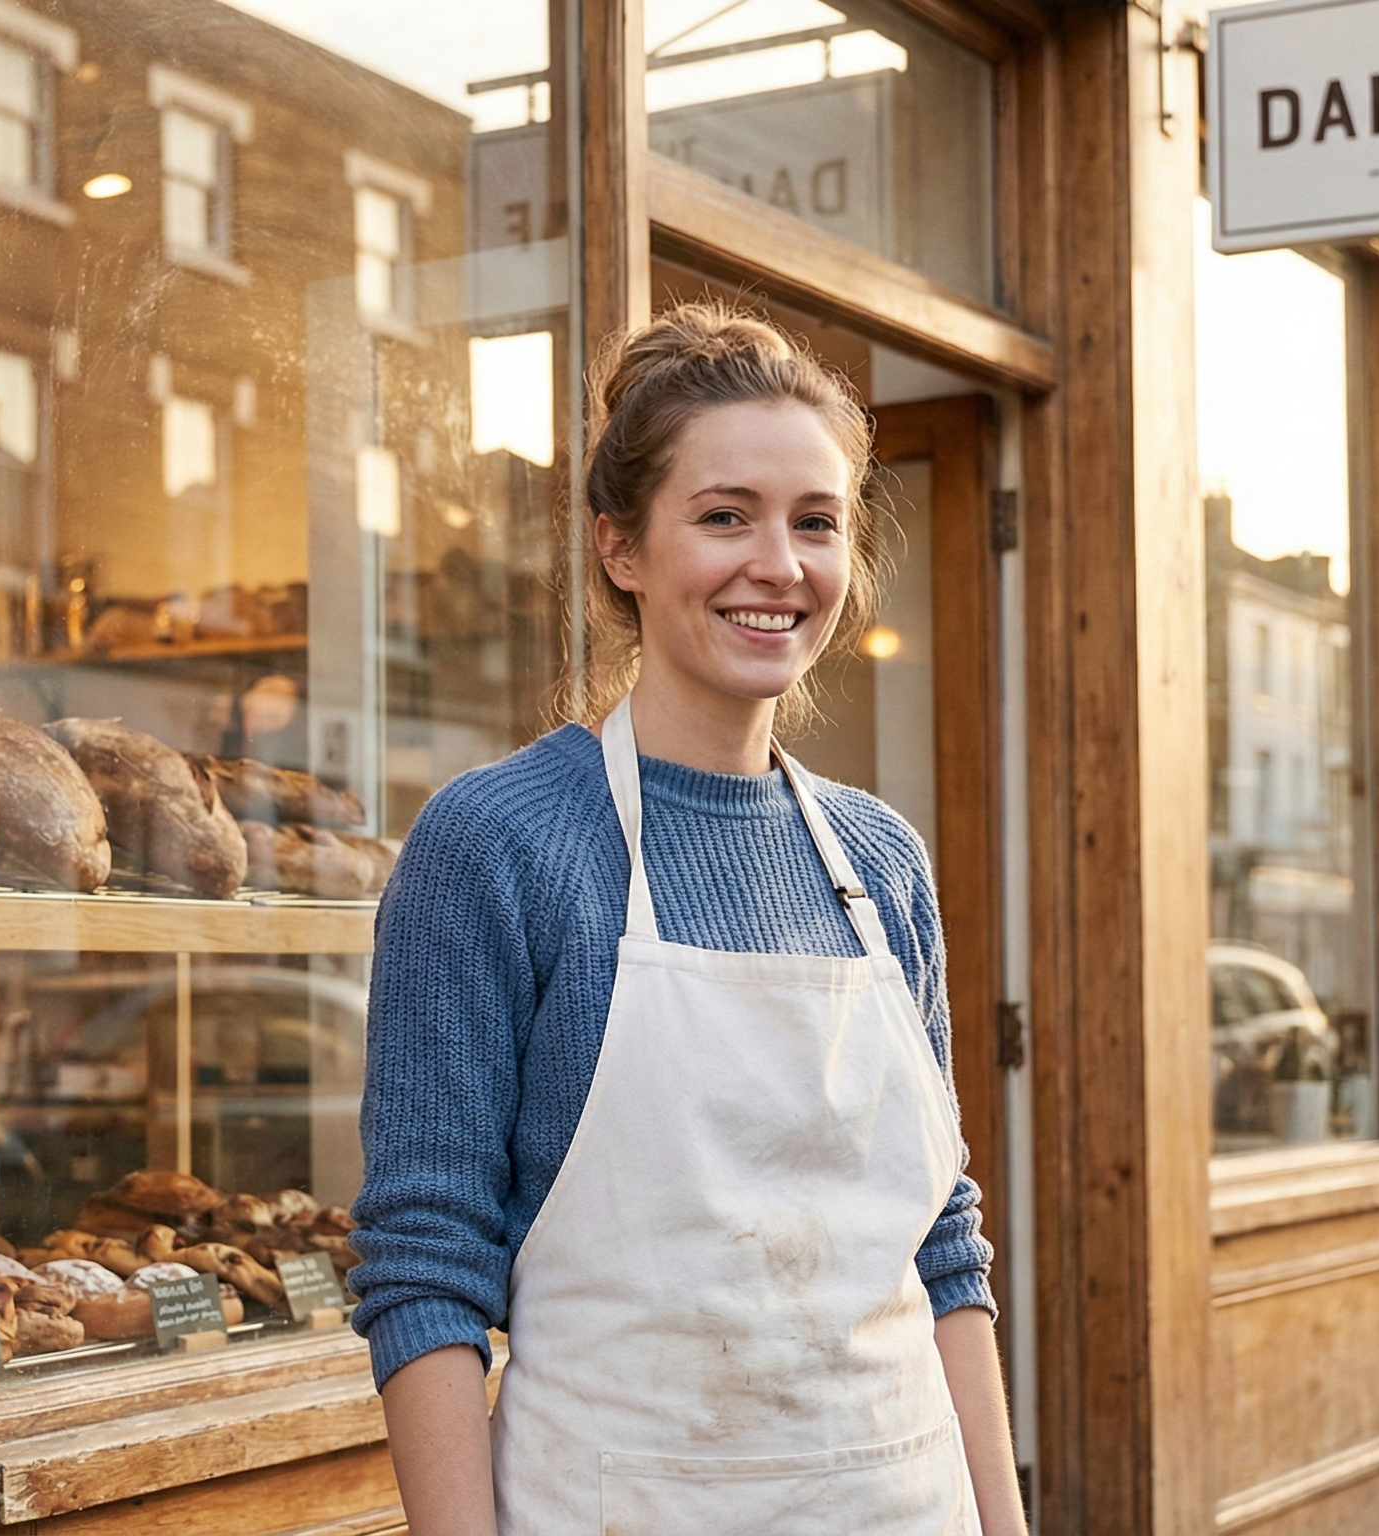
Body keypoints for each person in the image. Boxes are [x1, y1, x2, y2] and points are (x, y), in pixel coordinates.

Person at [348, 304, 1028, 1535]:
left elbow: (940, 1242)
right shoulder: (497, 844)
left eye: (813, 522)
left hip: (901, 1503)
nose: (778, 563)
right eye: (724, 516)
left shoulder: (880, 862)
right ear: (621, 550)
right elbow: (423, 1264)